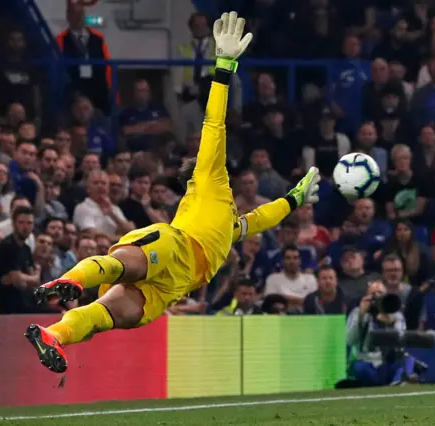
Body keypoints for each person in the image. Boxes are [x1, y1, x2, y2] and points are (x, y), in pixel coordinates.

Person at [24, 12, 321, 373]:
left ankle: (53, 334)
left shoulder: (227, 222)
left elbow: (259, 219)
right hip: (173, 245)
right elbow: (215, 122)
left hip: (173, 287)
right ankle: (71, 280)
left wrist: (294, 199)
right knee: (122, 266)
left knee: (112, 315)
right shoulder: (210, 176)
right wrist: (224, 68)